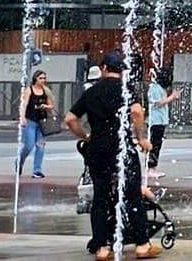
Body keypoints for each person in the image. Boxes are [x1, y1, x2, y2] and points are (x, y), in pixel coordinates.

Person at [65, 51, 162, 260]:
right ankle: (142, 245)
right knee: (132, 193)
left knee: (100, 197)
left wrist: (86, 136)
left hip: (98, 149)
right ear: (121, 71)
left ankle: (102, 248)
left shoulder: (91, 92)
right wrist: (141, 137)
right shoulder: (125, 89)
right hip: (122, 148)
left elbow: (70, 118)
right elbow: (137, 112)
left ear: (104, 69)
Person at [18, 69, 53, 178]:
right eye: (40, 78)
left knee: (41, 146)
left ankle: (37, 170)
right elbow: (24, 104)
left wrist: (46, 106)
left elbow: (51, 105)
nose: (43, 80)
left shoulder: (46, 91)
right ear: (35, 79)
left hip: (42, 121)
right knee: (29, 145)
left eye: (44, 78)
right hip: (30, 120)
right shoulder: (29, 90)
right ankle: (19, 161)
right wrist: (22, 118)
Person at [147, 67, 180, 174]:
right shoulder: (155, 88)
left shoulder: (158, 88)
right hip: (156, 121)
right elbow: (158, 103)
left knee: (157, 144)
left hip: (160, 120)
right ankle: (151, 168)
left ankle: (153, 167)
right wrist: (172, 97)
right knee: (155, 145)